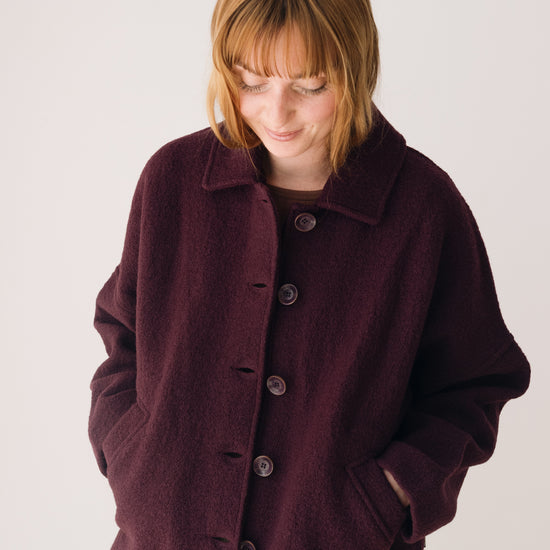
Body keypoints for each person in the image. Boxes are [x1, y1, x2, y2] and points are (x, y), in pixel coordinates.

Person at [89, 1, 530, 549]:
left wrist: (389, 494)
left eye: (310, 86)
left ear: (356, 68)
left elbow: (476, 381)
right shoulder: (173, 180)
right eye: (251, 82)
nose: (277, 113)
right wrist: (131, 456)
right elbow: (123, 334)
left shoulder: (423, 208)